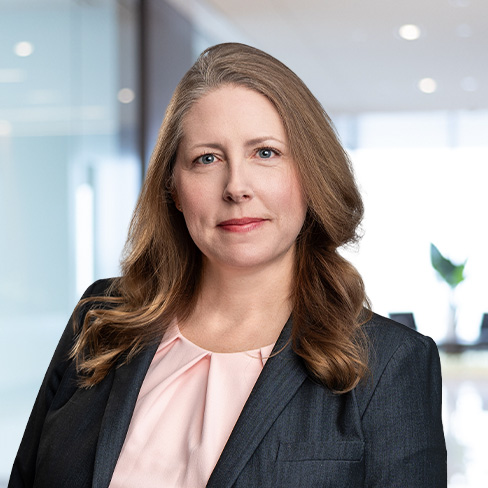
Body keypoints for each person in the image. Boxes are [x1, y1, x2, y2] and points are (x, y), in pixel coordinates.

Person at [9, 43, 446, 488]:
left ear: (311, 175)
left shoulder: (391, 364)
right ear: (174, 189)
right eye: (207, 159)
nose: (237, 187)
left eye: (266, 153)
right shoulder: (102, 316)